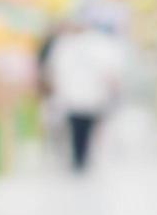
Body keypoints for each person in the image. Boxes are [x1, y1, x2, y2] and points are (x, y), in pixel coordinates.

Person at [46, 19, 125, 173]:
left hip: (75, 95)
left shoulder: (65, 45)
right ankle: (82, 157)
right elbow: (108, 69)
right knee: (86, 127)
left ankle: (79, 157)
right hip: (86, 95)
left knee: (77, 128)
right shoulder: (93, 45)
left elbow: (54, 69)